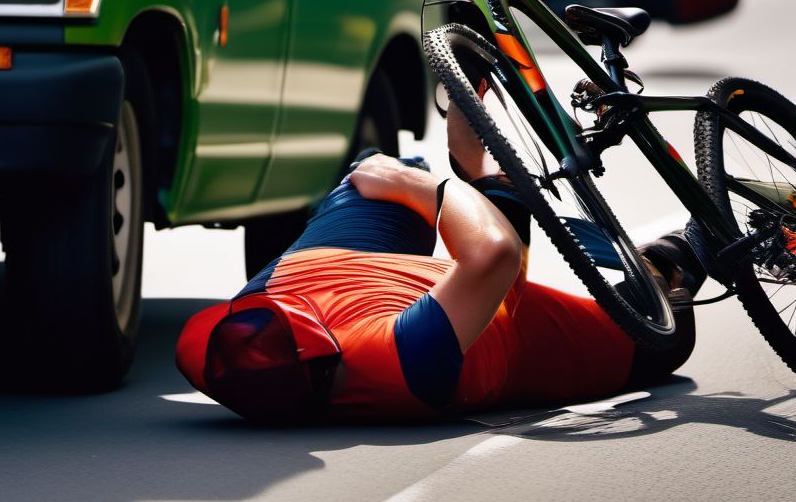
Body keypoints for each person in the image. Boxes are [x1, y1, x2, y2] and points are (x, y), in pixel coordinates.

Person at [175, 100, 706, 423]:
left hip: (327, 268)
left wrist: (388, 178)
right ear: (326, 351)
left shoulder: (209, 348)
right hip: (495, 320)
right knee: (665, 329)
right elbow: (492, 256)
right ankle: (674, 254)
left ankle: (467, 163)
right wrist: (423, 186)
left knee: (370, 171)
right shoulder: (398, 367)